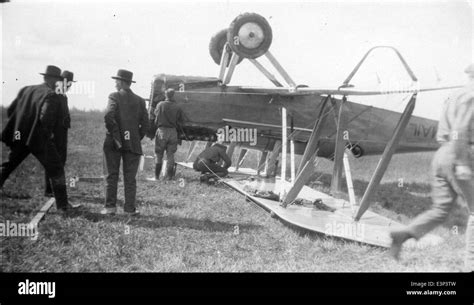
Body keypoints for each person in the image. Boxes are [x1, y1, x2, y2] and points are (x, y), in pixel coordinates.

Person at [389, 64, 474, 271]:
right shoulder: (471, 95)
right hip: (458, 154)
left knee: (441, 209)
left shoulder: (455, 94)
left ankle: (404, 234)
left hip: (441, 154)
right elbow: (460, 129)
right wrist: (462, 163)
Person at [0, 65, 76, 213]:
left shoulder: (26, 89)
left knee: (9, 164)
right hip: (38, 139)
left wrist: (21, 128)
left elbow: (11, 110)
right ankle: (63, 205)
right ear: (52, 79)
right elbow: (45, 118)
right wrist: (48, 136)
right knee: (56, 168)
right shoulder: (51, 94)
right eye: (57, 79)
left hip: (21, 136)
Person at [101, 69, 149, 215]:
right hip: (132, 143)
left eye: (116, 80)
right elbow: (145, 124)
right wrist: (133, 137)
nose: (115, 83)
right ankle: (129, 209)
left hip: (113, 142)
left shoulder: (114, 96)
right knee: (130, 178)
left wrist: (117, 137)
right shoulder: (140, 101)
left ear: (121, 82)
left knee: (111, 174)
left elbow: (109, 115)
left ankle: (110, 208)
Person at [44, 70, 74, 197]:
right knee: (53, 161)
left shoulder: (63, 95)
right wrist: (49, 133)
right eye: (66, 83)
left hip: (62, 134)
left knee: (61, 161)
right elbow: (48, 116)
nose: (68, 86)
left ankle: (54, 188)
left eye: (70, 84)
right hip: (54, 134)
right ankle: (50, 189)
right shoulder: (55, 95)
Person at [150, 88, 184, 180]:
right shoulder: (177, 106)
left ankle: (156, 177)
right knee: (170, 155)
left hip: (162, 131)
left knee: (159, 154)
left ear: (165, 95)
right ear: (173, 95)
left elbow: (156, 118)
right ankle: (169, 177)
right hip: (173, 132)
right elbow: (180, 120)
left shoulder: (160, 104)